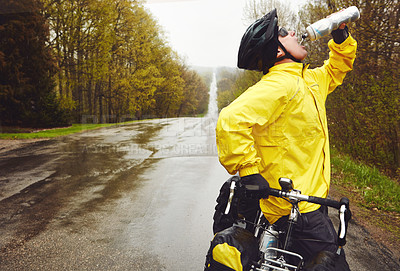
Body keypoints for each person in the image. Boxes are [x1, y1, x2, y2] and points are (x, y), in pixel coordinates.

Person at [215, 8, 357, 267]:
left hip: (309, 198)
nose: (293, 32)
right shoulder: (280, 84)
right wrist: (248, 171)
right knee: (334, 262)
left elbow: (336, 70)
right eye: (283, 32)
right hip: (296, 206)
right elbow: (230, 120)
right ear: (279, 52)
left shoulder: (307, 80)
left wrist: (341, 37)